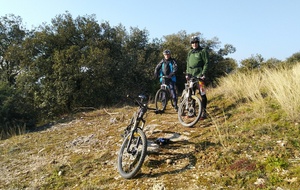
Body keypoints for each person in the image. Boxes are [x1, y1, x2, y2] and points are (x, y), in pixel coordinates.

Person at [186, 36, 209, 119]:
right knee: (191, 94)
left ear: (198, 43)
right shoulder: (190, 52)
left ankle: (203, 112)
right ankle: (191, 111)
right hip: (191, 75)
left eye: (196, 42)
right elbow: (188, 63)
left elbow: (207, 63)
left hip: (200, 76)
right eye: (192, 43)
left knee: (202, 94)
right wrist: (187, 73)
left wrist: (203, 73)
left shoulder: (203, 51)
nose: (194, 44)